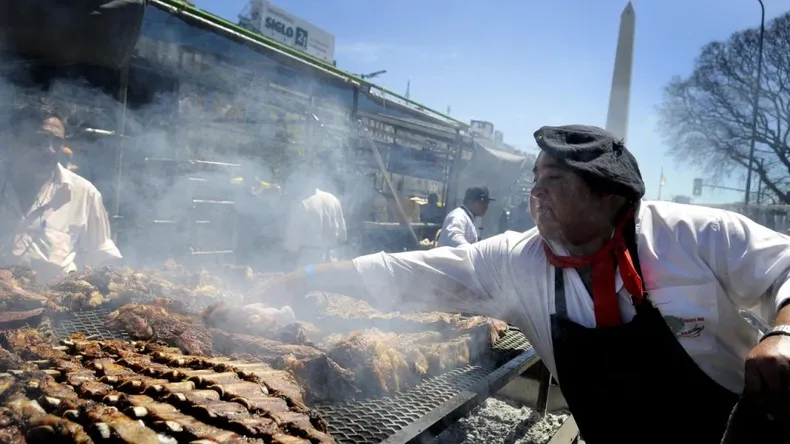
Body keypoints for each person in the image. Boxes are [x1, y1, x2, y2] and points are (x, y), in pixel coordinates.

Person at [252, 125, 790, 443]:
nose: (537, 193)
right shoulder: (517, 259)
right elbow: (404, 272)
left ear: (612, 197)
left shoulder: (692, 234)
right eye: (535, 180)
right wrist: (303, 278)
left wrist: (782, 335)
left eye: (555, 181)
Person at [0, 103, 122, 282]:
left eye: (56, 142)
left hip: (57, 304)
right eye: (39, 140)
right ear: (12, 140)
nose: (49, 150)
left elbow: (102, 255)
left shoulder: (84, 193)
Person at [282, 178, 347, 269]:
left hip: (310, 262)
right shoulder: (333, 199)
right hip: (333, 260)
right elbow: (342, 236)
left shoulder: (303, 205)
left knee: (308, 283)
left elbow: (292, 244)